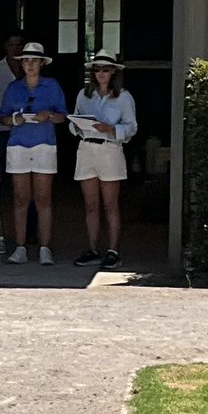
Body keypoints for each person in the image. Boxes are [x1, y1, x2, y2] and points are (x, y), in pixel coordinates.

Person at [0, 42, 68, 265]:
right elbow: (3, 118)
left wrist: (48, 115)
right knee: (20, 198)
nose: (30, 65)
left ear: (41, 63)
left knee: (43, 197)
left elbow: (63, 116)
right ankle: (20, 247)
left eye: (34, 60)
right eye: (26, 60)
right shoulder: (13, 87)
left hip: (44, 143)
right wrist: (16, 119)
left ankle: (44, 247)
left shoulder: (52, 86)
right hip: (18, 143)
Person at [71, 49, 138, 269]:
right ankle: (92, 248)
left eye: (105, 69)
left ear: (113, 72)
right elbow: (74, 121)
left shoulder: (124, 97)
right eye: (97, 69)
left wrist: (110, 129)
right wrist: (79, 126)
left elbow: (131, 127)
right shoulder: (84, 94)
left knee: (110, 204)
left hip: (110, 149)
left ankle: (113, 250)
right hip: (87, 148)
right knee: (90, 205)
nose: (101, 73)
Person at [0, 29, 37, 240]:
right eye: (12, 44)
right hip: (0, 133)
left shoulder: (31, 70)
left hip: (28, 134)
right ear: (6, 47)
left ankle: (30, 231)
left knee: (27, 183)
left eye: (19, 45)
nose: (16, 49)